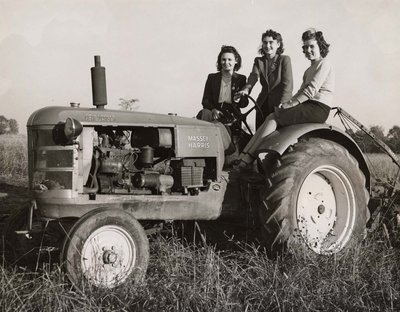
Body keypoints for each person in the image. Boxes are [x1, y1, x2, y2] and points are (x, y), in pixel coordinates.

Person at [235, 28, 334, 168]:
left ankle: (249, 157)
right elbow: (301, 90)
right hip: (305, 104)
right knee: (269, 119)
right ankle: (245, 155)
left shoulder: (324, 64)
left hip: (317, 107)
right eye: (305, 47)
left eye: (312, 46)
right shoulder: (309, 69)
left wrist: (287, 104)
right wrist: (246, 89)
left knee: (274, 118)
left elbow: (309, 91)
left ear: (321, 47)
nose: (308, 50)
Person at [236, 29, 293, 128]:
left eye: (271, 42)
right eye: (265, 42)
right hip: (262, 105)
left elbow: (288, 85)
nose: (267, 46)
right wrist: (246, 89)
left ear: (278, 44)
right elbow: (253, 77)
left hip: (279, 106)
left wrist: (283, 105)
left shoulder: (284, 60)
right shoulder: (259, 61)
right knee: (260, 135)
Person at [197, 45, 248, 123]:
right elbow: (205, 100)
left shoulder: (241, 79)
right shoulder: (212, 77)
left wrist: (238, 100)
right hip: (214, 114)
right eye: (223, 59)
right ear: (220, 61)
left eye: (229, 59)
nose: (226, 62)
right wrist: (213, 110)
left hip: (231, 117)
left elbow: (244, 104)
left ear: (236, 61)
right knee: (205, 113)